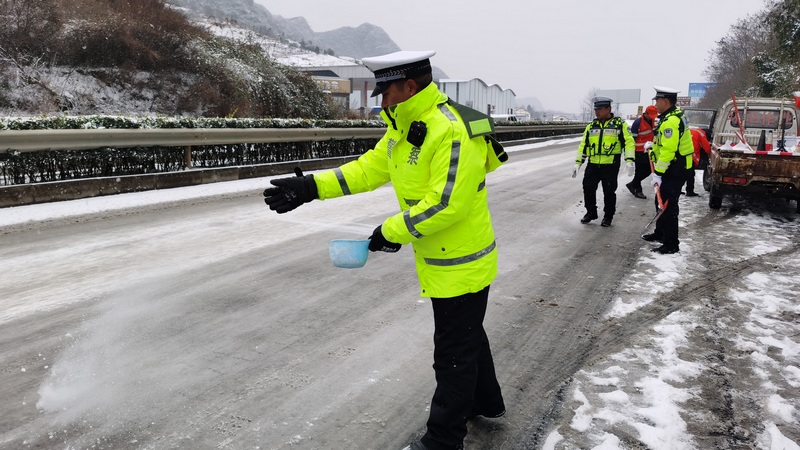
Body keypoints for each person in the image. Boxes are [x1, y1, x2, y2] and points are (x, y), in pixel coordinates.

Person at [262, 50, 506, 450]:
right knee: (465, 336)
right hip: (439, 255)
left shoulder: (450, 129)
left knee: (453, 353)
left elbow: (446, 203)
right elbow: (368, 169)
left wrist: (389, 231)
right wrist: (311, 188)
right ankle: (486, 400)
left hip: (462, 261)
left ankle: (443, 440)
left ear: (410, 87)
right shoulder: (405, 125)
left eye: (386, 91)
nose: (381, 100)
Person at [642, 86, 694, 254]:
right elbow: (663, 143)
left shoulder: (671, 120)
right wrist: (652, 145)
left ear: (665, 101)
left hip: (675, 169)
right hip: (674, 167)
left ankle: (671, 244)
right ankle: (660, 233)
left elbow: (669, 151)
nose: (655, 104)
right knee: (660, 202)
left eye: (657, 101)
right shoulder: (671, 116)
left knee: (668, 206)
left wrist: (658, 173)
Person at [574, 97, 635, 227]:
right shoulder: (591, 126)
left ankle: (608, 216)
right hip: (593, 164)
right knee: (588, 188)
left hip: (610, 165)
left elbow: (629, 142)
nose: (597, 112)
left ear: (608, 109)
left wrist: (629, 160)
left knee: (609, 192)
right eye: (596, 109)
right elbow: (584, 145)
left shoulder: (619, 124)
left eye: (600, 109)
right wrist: (578, 162)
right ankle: (591, 212)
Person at [625, 105, 659, 199]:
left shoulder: (652, 121)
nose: (653, 118)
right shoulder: (638, 123)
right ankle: (638, 190)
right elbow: (632, 139)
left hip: (648, 150)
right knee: (639, 171)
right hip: (639, 151)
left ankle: (633, 185)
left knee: (648, 170)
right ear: (646, 113)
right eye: (651, 115)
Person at [685, 127, 711, 196]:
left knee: (681, 172)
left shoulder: (692, 130)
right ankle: (689, 191)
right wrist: (709, 154)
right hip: (690, 155)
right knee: (690, 174)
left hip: (682, 153)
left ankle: (676, 190)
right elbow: (707, 147)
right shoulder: (702, 134)